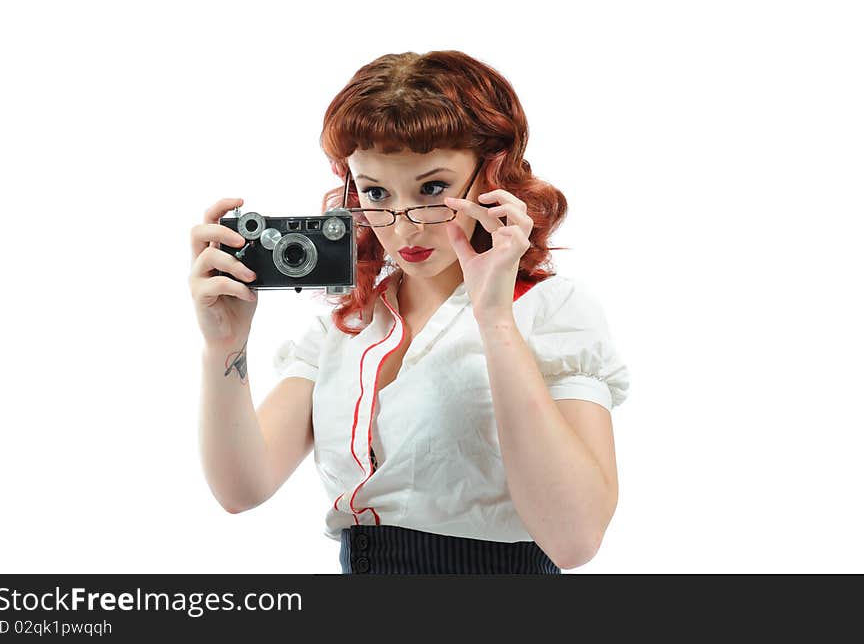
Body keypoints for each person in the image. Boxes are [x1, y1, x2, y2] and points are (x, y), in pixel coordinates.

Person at [189, 50, 631, 574]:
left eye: (433, 188)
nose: (402, 228)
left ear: (491, 176)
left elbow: (575, 538)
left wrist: (495, 321)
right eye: (376, 192)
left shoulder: (551, 312)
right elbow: (242, 487)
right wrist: (225, 345)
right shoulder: (345, 329)